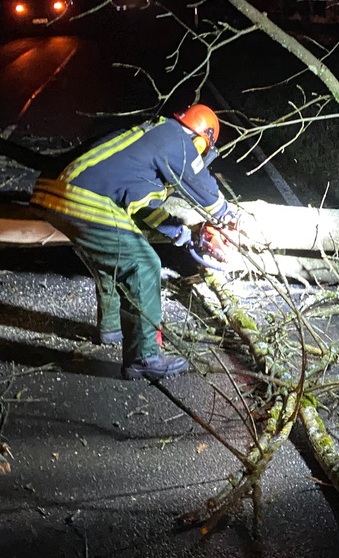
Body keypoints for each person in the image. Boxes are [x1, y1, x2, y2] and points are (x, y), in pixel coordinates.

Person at [31, 104, 234, 381]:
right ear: (201, 138)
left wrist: (179, 233)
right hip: (83, 195)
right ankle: (144, 357)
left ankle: (111, 328)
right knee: (144, 264)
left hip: (52, 192)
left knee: (110, 258)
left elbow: (141, 205)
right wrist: (226, 214)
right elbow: (197, 180)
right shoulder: (175, 138)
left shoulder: (150, 143)